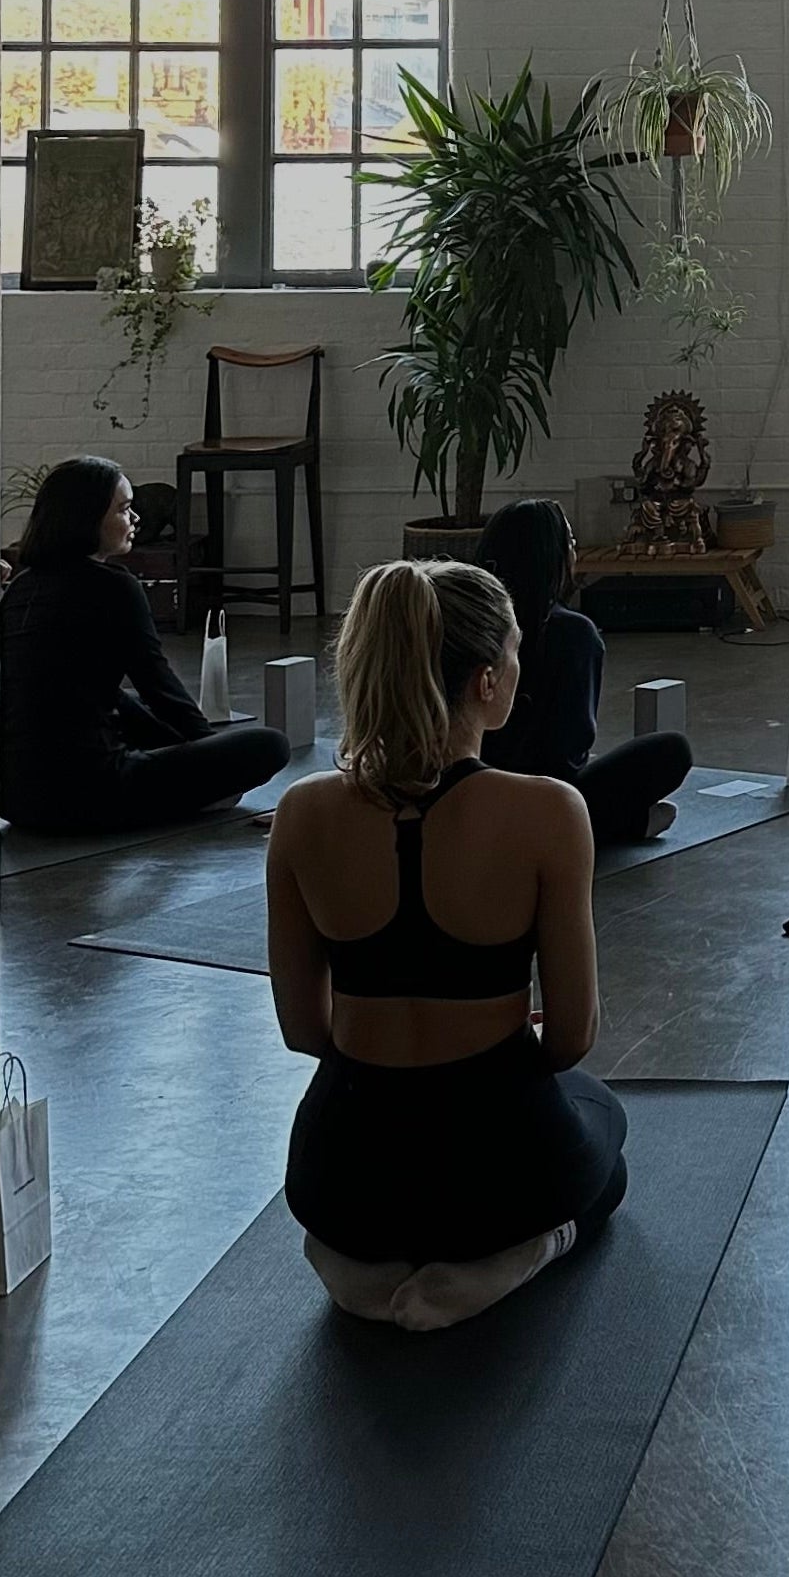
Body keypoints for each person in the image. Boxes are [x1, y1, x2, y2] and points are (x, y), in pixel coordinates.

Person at [269, 559, 627, 1335]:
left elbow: (304, 1031)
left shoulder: (301, 814)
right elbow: (570, 1040)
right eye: (517, 651)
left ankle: (355, 1267)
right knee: (607, 1131)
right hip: (493, 1173)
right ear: (489, 681)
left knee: (379, 1173)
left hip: (342, 1174)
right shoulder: (548, 812)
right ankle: (507, 1260)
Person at [0, 455, 289, 834]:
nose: (135, 520)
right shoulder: (113, 586)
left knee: (115, 697)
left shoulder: (22, 586)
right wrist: (211, 760)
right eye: (124, 509)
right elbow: (159, 685)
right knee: (270, 745)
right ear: (87, 518)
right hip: (88, 797)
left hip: (15, 801)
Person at [475, 497, 691, 851]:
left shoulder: (467, 624)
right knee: (672, 751)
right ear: (553, 557)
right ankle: (597, 827)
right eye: (571, 543)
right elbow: (566, 755)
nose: (576, 551)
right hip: (541, 803)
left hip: (464, 792)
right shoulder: (570, 633)